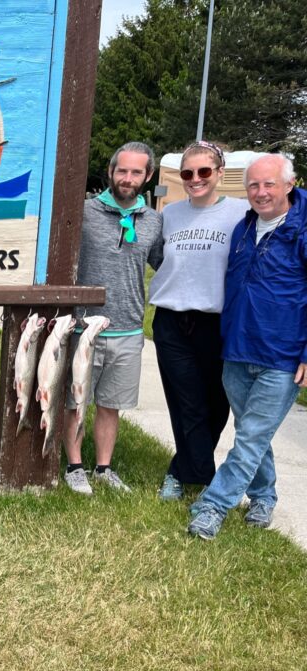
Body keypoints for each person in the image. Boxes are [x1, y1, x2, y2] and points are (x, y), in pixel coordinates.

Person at [187, 153, 307, 540]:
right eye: (254, 185)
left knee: (252, 436)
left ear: (289, 184)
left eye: (269, 183)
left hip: (282, 356)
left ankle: (213, 506)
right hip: (237, 349)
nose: (260, 192)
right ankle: (263, 495)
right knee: (252, 433)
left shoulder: (302, 229)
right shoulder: (243, 228)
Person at [63, 141, 163, 494]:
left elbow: (163, 265)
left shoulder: (153, 221)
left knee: (111, 404)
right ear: (110, 172)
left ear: (148, 176)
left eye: (137, 172)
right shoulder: (83, 212)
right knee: (75, 400)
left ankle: (103, 468)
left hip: (129, 328)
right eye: (122, 170)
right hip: (83, 326)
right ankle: (74, 466)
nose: (128, 178)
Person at [150, 141, 248, 500]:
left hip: (217, 321)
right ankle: (200, 476)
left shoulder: (241, 212)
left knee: (216, 403)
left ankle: (184, 469)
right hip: (171, 319)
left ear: (220, 173)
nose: (195, 179)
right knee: (184, 399)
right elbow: (156, 257)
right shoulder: (170, 214)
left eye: (204, 171)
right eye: (188, 173)